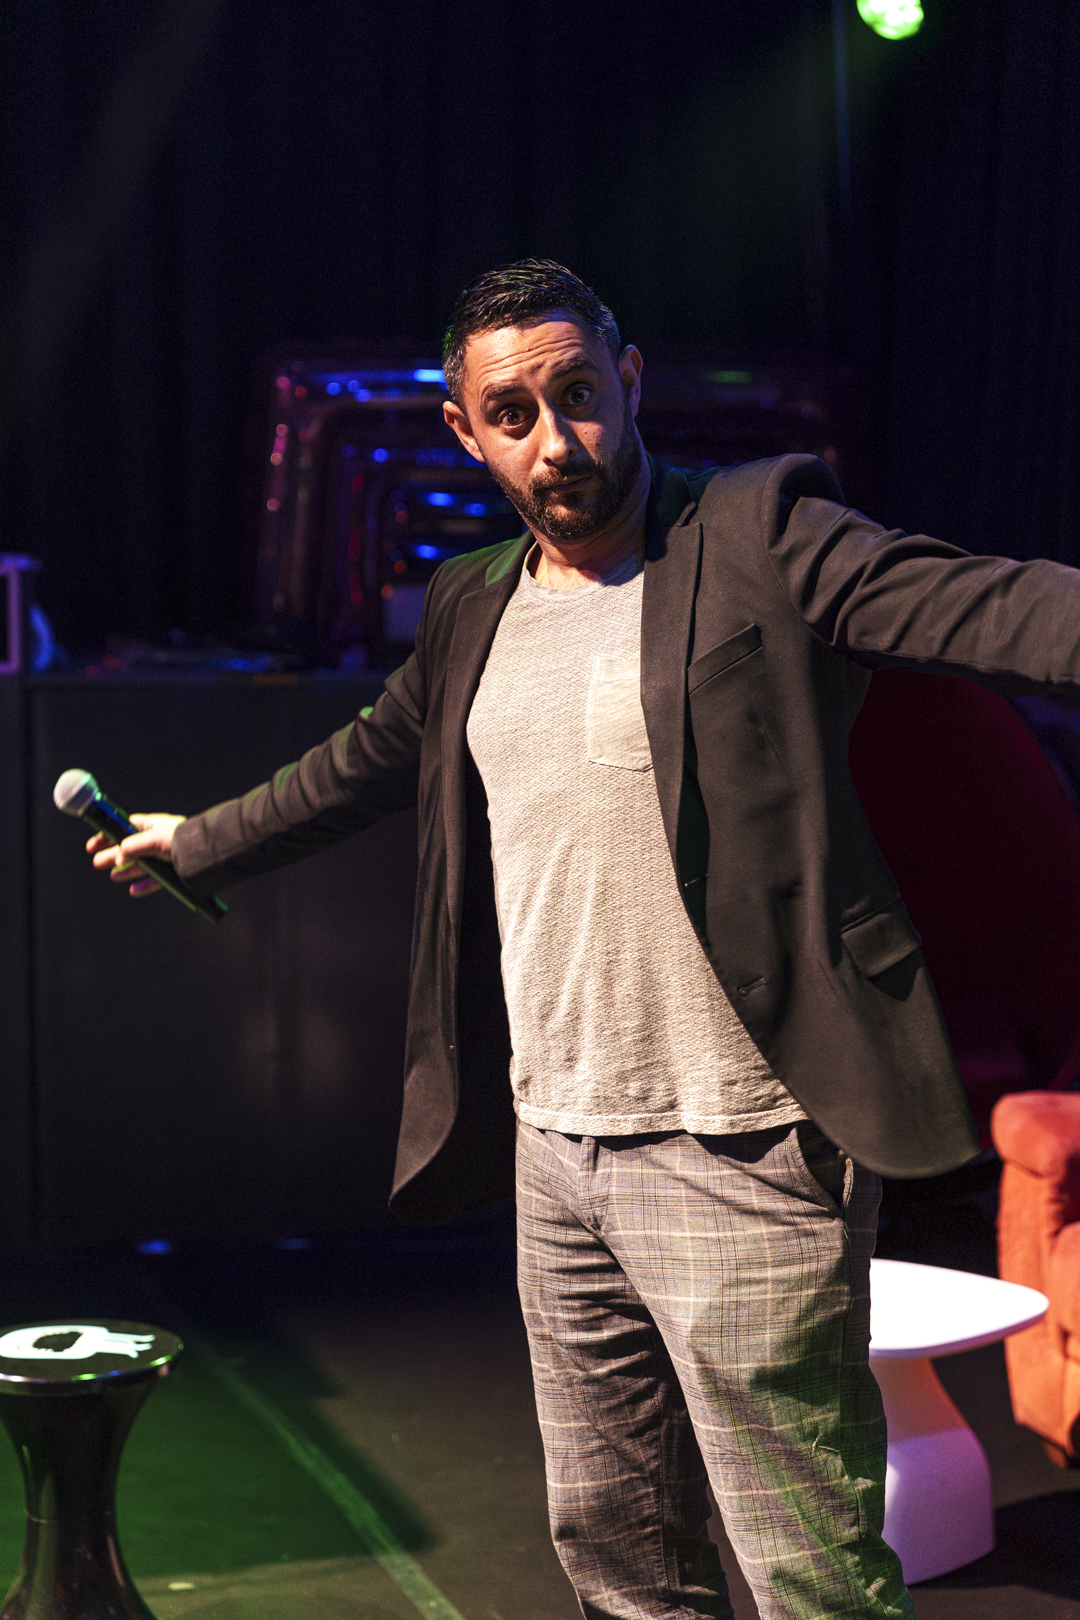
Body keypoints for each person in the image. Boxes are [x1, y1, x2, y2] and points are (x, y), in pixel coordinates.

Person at [88, 260, 1080, 1620]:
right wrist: (196, 843)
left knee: (809, 1573)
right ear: (466, 431)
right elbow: (362, 763)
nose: (557, 441)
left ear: (629, 378)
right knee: (617, 1556)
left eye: (579, 396)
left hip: (743, 1145)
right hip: (557, 1153)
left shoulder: (759, 534)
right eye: (514, 414)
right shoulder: (471, 604)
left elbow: (990, 603)